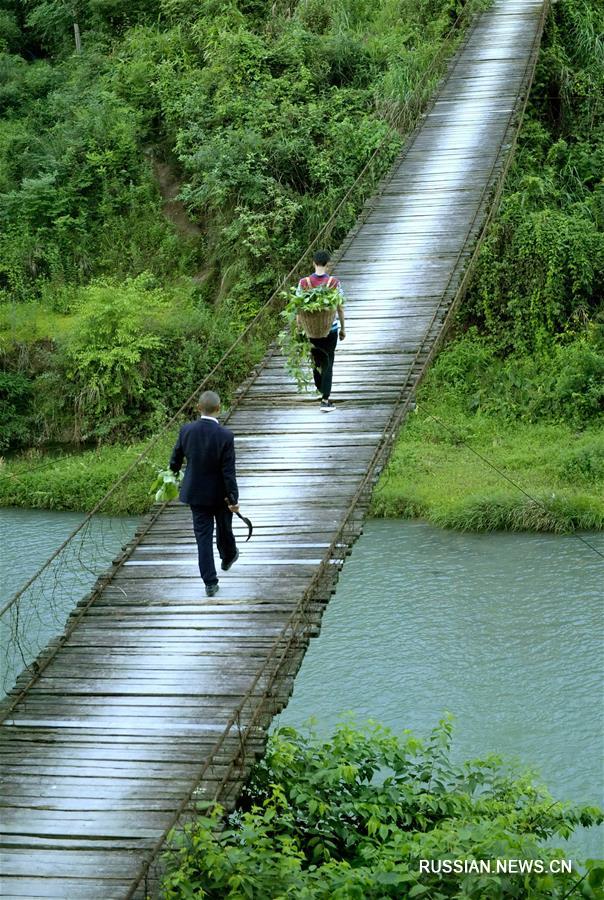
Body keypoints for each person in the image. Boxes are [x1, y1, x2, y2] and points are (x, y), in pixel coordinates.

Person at [169, 390, 239, 597]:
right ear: (219, 409)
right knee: (224, 528)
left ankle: (210, 583)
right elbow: (228, 472)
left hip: (196, 494)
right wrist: (233, 499)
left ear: (198, 408)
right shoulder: (226, 436)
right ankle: (228, 556)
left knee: (203, 538)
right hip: (221, 495)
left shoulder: (186, 430)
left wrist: (172, 472)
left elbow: (176, 457)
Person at [297, 249, 346, 412]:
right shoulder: (334, 282)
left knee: (316, 361)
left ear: (313, 263)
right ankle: (325, 400)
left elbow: (299, 310)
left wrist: (299, 329)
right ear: (327, 264)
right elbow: (340, 308)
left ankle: (320, 389)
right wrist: (343, 329)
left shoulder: (303, 283)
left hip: (311, 331)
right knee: (328, 363)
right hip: (330, 330)